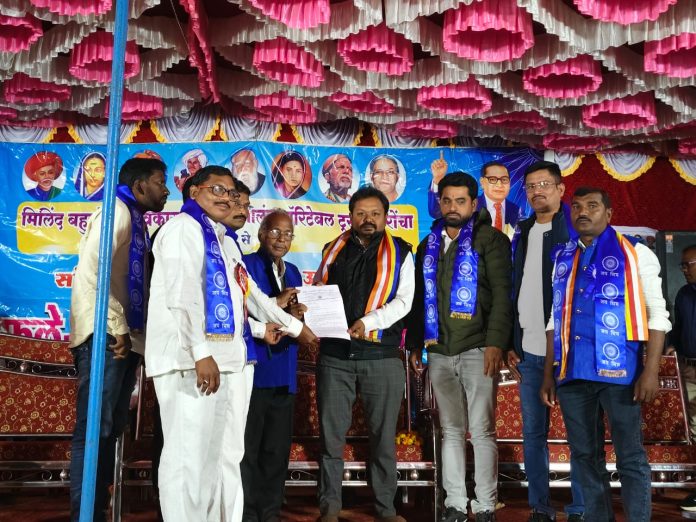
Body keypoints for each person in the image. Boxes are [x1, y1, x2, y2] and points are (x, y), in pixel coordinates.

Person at [145, 165, 314, 521]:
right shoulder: (181, 229)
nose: (227, 198)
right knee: (188, 458)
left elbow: (252, 297)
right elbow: (182, 297)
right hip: (189, 362)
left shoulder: (225, 241)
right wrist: (200, 353)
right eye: (217, 190)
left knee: (225, 456)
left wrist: (297, 329)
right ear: (194, 192)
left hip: (230, 362)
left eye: (232, 193)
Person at [540, 187, 671, 522]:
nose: (583, 212)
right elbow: (555, 317)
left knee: (629, 456)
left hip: (621, 373)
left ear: (609, 213)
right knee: (585, 456)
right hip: (572, 372)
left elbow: (657, 315)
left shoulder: (636, 253)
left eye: (592, 206)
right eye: (577, 207)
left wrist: (651, 371)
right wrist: (548, 373)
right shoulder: (563, 257)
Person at [69, 157, 170, 522]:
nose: (166, 190)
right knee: (94, 429)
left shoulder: (135, 218)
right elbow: (94, 271)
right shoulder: (117, 213)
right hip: (108, 336)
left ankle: (95, 511)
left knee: (108, 429)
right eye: (160, 182)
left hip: (122, 336)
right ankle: (84, 515)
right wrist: (118, 326)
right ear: (140, 185)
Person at [408, 172, 512, 522]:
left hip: (478, 348)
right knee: (450, 430)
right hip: (439, 350)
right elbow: (420, 300)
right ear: (439, 203)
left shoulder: (491, 240)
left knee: (481, 430)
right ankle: (454, 502)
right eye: (447, 200)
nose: (453, 207)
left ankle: (485, 505)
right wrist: (416, 342)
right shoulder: (428, 244)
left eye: (460, 201)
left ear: (474, 203)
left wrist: (496, 343)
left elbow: (503, 296)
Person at [313, 186, 414, 522]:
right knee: (331, 438)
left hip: (380, 357)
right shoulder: (333, 250)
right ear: (350, 216)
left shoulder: (402, 252)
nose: (367, 219)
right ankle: (329, 508)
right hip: (335, 357)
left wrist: (368, 323)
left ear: (386, 216)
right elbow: (320, 293)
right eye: (360, 213)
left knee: (383, 439)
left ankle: (386, 509)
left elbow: (404, 302)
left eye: (375, 213)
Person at [506, 161, 585, 522]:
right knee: (533, 434)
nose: (537, 191)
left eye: (544, 185)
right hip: (530, 352)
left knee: (579, 435)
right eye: (531, 186)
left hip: (569, 352)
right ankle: (540, 506)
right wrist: (511, 341)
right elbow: (515, 289)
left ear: (560, 188)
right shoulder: (522, 231)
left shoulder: (575, 228)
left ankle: (580, 508)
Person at [241, 210, 306, 522]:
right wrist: (277, 302)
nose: (282, 239)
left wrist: (298, 312)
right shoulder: (245, 265)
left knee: (277, 451)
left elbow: (293, 320)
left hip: (285, 370)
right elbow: (243, 310)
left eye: (288, 234)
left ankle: (270, 513)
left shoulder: (293, 271)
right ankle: (247, 513)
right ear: (261, 233)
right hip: (256, 371)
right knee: (248, 449)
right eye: (275, 232)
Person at [667, 245, 696, 511]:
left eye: (689, 264)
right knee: (692, 431)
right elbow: (679, 329)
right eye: (682, 265)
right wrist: (671, 345)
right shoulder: (684, 294)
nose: (684, 269)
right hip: (688, 370)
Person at [427, 157, 521, 237]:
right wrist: (438, 179)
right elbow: (436, 212)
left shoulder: (517, 211)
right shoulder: (469, 205)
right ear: (482, 182)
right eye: (492, 179)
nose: (499, 184)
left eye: (504, 180)